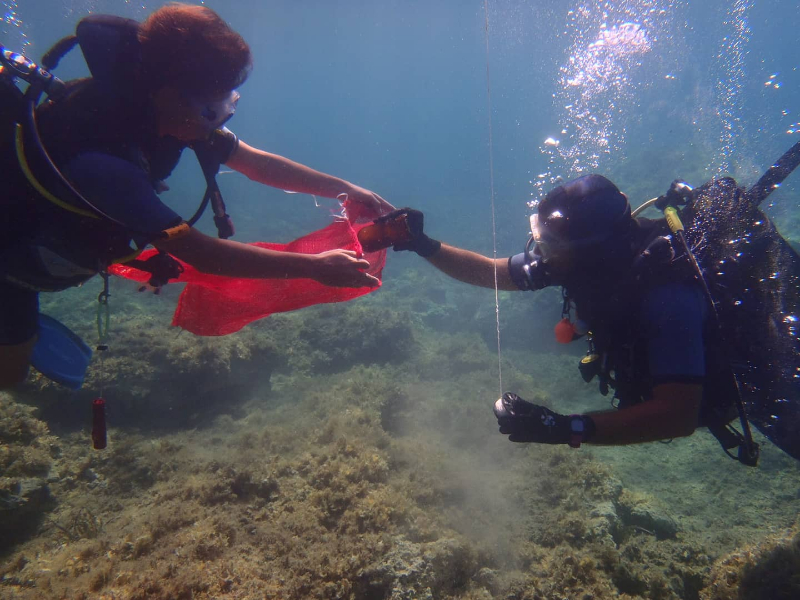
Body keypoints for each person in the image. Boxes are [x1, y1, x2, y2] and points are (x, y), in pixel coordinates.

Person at [0, 4, 392, 389]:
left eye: (226, 103)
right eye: (210, 108)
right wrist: (312, 267)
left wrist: (348, 189)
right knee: (10, 376)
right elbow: (198, 251)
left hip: (59, 248)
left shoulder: (169, 117)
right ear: (167, 93)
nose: (219, 120)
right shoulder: (102, 161)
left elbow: (256, 163)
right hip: (12, 264)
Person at [384, 174, 747, 452]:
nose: (541, 254)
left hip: (753, 392)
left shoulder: (668, 294)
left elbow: (677, 414)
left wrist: (565, 428)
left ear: (591, 252)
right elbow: (490, 272)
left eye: (550, 245)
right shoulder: (577, 262)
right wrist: (422, 245)